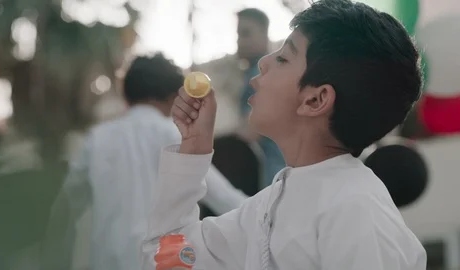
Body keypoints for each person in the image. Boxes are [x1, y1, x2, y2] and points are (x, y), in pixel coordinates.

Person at [141, 0, 426, 269]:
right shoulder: (271, 205)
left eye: (283, 58)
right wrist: (193, 148)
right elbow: (167, 258)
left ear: (315, 100)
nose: (264, 62)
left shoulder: (357, 213)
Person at [41, 54, 247, 270]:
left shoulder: (97, 139)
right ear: (172, 98)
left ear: (126, 96)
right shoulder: (176, 135)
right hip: (161, 263)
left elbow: (65, 210)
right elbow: (224, 198)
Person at [197, 8, 284, 189]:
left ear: (264, 33)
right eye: (238, 35)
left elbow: (251, 130)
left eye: (245, 34)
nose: (239, 41)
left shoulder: (265, 74)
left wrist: (202, 142)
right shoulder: (250, 74)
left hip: (271, 176)